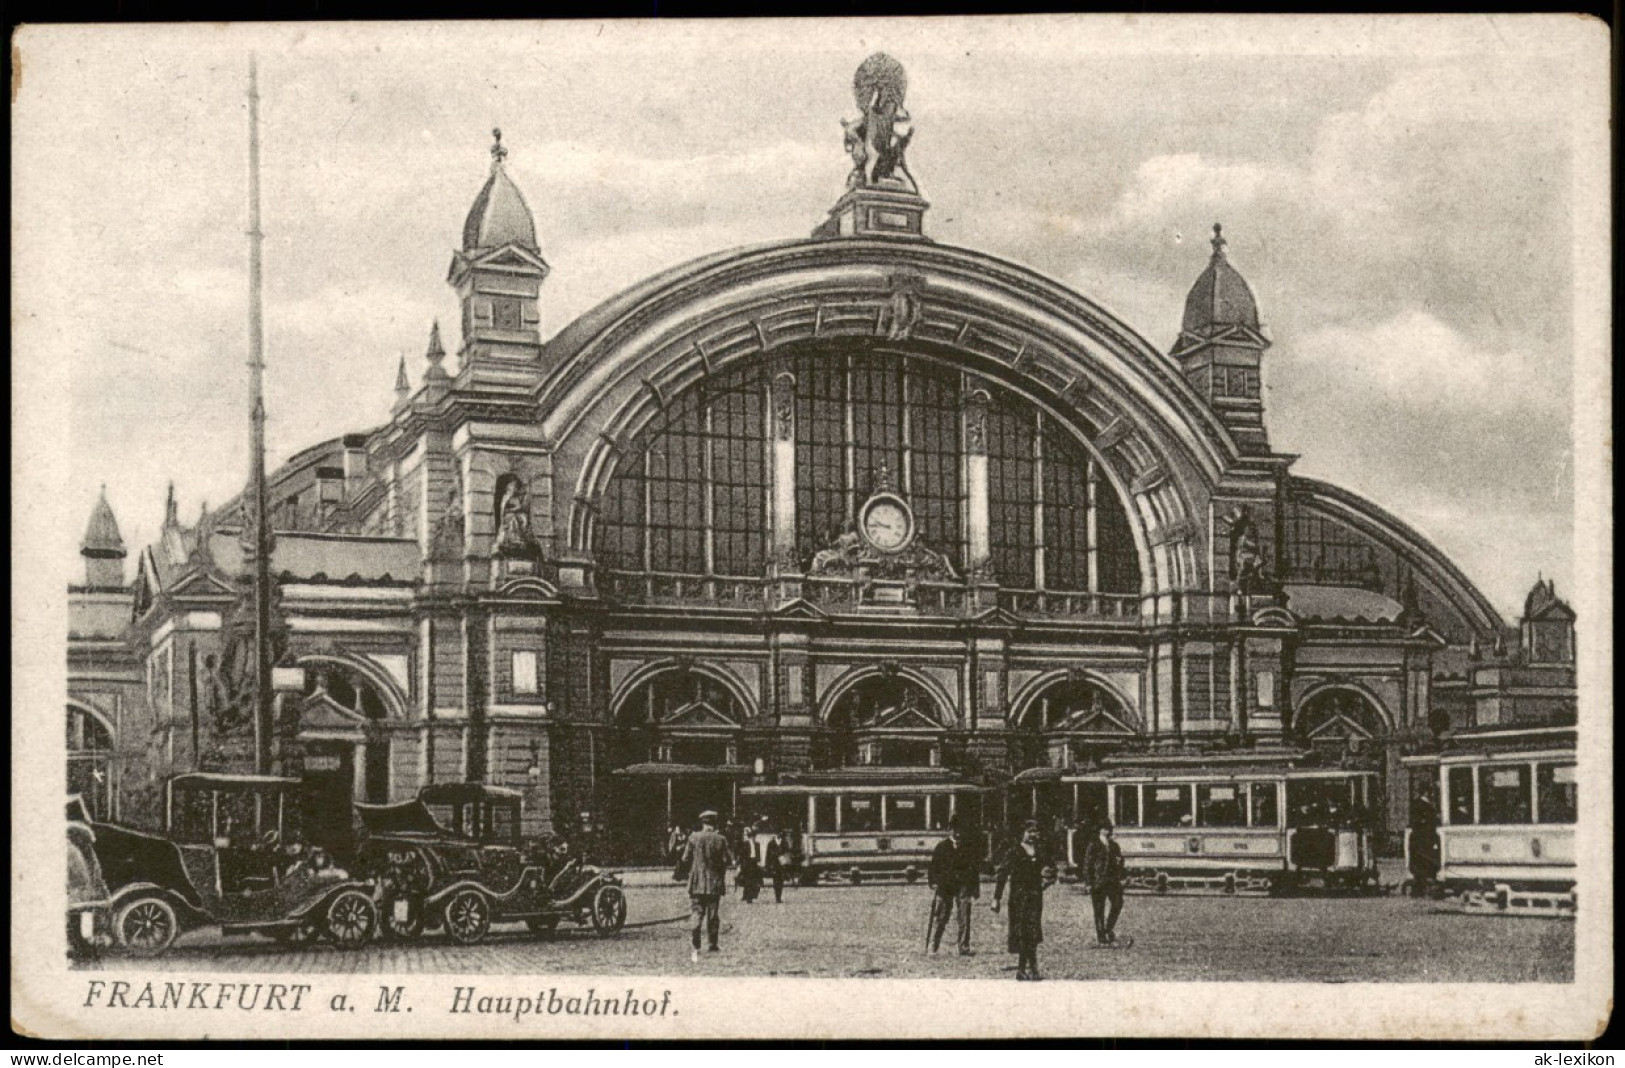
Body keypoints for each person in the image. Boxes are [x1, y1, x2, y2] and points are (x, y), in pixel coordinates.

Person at [992, 820, 1055, 981]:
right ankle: (1024, 968)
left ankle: (1030, 968)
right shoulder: (1014, 851)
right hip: (1018, 898)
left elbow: (1052, 869)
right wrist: (996, 898)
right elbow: (1002, 874)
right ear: (1023, 833)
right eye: (1029, 831)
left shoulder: (1040, 851)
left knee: (1033, 933)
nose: (1032, 835)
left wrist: (1047, 881)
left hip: (1035, 896)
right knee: (1022, 933)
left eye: (1035, 831)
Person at [680, 810, 734, 961]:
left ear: (702, 822)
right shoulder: (720, 839)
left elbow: (685, 858)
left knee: (697, 912)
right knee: (712, 914)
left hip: (696, 882)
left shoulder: (693, 837)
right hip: (714, 882)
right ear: (715, 823)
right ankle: (712, 944)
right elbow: (728, 860)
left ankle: (696, 939)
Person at [926, 816, 980, 955]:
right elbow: (933, 867)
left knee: (964, 916)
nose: (957, 833)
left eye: (960, 830)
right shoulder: (942, 847)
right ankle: (934, 944)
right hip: (946, 886)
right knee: (941, 916)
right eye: (954, 829)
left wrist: (975, 888)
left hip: (963, 885)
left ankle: (963, 946)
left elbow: (973, 869)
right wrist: (933, 882)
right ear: (950, 830)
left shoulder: (968, 847)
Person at [1083, 821, 1127, 945]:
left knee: (1118, 903)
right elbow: (1087, 864)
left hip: (1113, 881)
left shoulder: (1114, 845)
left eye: (1109, 829)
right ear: (1100, 830)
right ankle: (1101, 937)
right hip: (1098, 881)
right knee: (1098, 909)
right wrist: (1088, 883)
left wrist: (1122, 874)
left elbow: (1120, 861)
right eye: (1105, 829)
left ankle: (1108, 928)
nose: (1107, 831)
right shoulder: (1093, 845)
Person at [761, 820, 788, 904]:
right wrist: (767, 865)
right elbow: (767, 855)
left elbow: (786, 851)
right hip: (774, 864)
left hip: (781, 864)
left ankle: (779, 896)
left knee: (781, 881)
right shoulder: (771, 843)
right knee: (776, 881)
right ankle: (777, 897)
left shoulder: (784, 842)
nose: (780, 834)